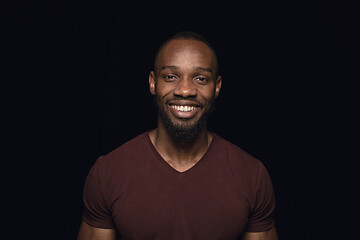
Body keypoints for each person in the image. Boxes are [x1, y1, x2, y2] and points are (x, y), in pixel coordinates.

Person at [77, 31, 278, 240]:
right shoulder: (108, 172)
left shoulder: (252, 176)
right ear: (153, 83)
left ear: (217, 87)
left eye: (200, 78)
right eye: (171, 77)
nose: (184, 90)